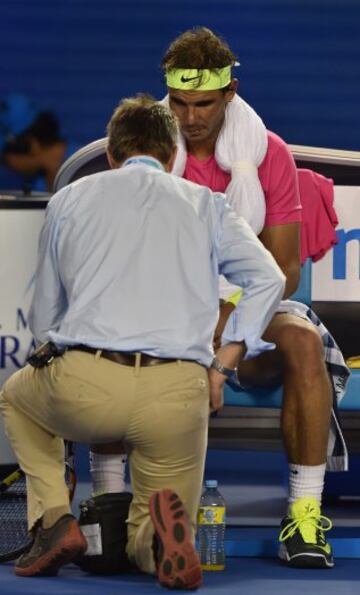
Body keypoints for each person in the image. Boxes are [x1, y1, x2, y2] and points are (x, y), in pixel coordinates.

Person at [0, 95, 285, 585]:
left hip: (87, 383)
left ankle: (54, 522)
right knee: (153, 526)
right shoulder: (207, 205)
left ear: (111, 155)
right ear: (172, 156)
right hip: (177, 390)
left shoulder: (69, 198)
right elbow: (270, 278)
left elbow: (47, 318)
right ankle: (156, 545)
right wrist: (223, 365)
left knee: (16, 398)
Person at [90, 27, 344, 569]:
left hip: (244, 303)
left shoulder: (269, 153)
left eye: (203, 103)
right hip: (161, 303)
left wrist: (224, 316)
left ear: (229, 93)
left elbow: (283, 270)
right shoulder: (144, 151)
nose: (189, 118)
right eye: (178, 104)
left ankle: (303, 516)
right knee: (105, 335)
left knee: (301, 342)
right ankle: (110, 507)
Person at [0, 93, 79, 192]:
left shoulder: (89, 167)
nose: (9, 166)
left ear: (30, 145)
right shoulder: (37, 182)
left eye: (4, 159)